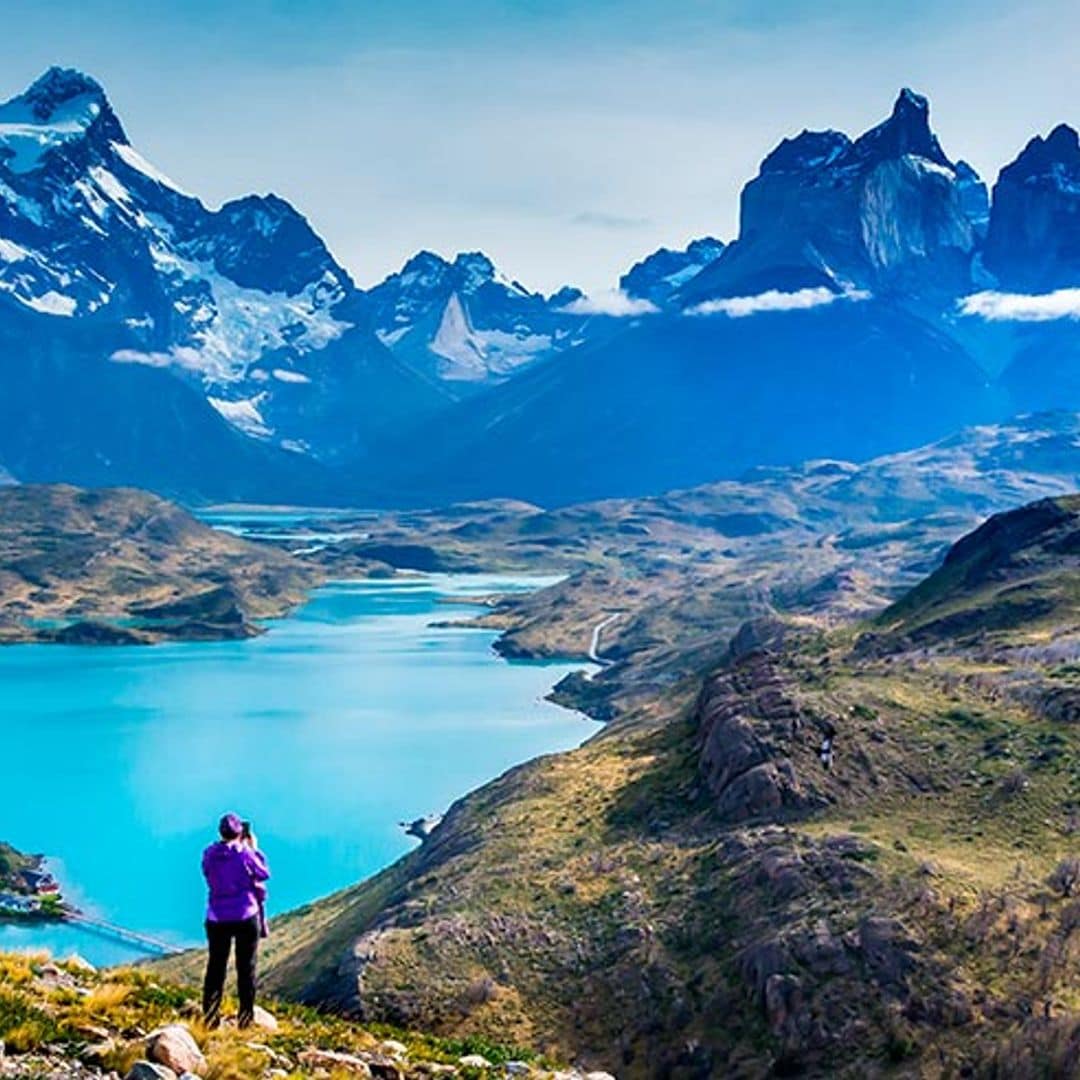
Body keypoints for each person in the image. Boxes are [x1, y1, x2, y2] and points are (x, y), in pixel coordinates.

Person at [201, 812, 270, 1028]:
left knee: (215, 968)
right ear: (240, 832)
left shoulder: (209, 853)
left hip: (217, 917)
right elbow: (263, 873)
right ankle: (245, 1021)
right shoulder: (246, 854)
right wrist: (253, 848)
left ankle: (210, 1019)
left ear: (221, 832)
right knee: (246, 968)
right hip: (245, 916)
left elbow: (206, 871)